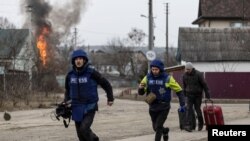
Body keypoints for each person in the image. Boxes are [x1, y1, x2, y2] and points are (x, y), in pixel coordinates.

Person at [63, 49, 114, 141]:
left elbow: (105, 84)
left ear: (84, 60)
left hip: (90, 106)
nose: (78, 61)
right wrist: (66, 101)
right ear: (73, 61)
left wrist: (110, 97)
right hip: (76, 107)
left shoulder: (91, 73)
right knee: (80, 135)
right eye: (76, 59)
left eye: (80, 59)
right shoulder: (70, 75)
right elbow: (67, 90)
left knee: (84, 129)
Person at [138, 59, 185, 141]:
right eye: (153, 69)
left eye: (156, 69)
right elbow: (141, 93)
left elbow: (179, 91)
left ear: (160, 69)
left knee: (158, 126)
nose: (154, 71)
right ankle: (165, 131)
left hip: (164, 106)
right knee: (155, 128)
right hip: (152, 106)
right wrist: (141, 88)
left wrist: (182, 104)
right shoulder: (147, 78)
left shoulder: (168, 78)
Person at [182, 62, 210, 132]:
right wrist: (184, 93)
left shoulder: (198, 74)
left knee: (197, 109)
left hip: (197, 95)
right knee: (189, 109)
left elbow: (204, 85)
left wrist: (207, 95)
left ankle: (200, 123)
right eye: (186, 69)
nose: (187, 71)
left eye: (188, 69)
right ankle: (189, 126)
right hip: (189, 95)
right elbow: (184, 85)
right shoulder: (184, 75)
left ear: (192, 68)